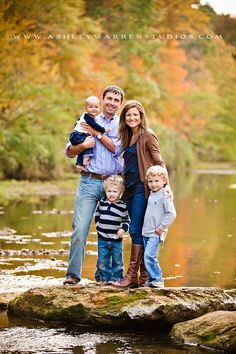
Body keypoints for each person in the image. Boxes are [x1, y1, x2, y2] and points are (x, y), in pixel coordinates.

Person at [63, 85, 124, 285]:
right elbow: (70, 151)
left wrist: (97, 135)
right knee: (80, 228)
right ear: (102, 99)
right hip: (89, 181)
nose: (112, 103)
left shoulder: (121, 125)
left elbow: (116, 149)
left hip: (112, 185)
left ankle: (103, 276)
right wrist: (83, 146)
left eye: (116, 100)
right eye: (109, 99)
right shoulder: (86, 119)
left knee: (110, 232)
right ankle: (73, 275)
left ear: (120, 104)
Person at [115, 100, 172, 289]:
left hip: (141, 187)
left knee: (135, 229)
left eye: (135, 115)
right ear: (124, 118)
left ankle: (132, 275)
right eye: (128, 115)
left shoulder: (148, 136)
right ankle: (144, 276)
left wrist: (167, 187)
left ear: (141, 117)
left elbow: (160, 163)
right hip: (129, 189)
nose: (131, 118)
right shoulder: (127, 137)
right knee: (138, 230)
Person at [142, 165, 176, 288]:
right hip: (146, 232)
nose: (153, 184)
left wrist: (161, 228)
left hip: (155, 233)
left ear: (165, 181)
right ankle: (152, 280)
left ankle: (157, 279)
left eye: (157, 181)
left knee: (150, 256)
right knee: (147, 257)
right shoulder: (152, 194)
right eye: (150, 181)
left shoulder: (165, 195)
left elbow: (172, 214)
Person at [95, 175, 130, 284]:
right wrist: (98, 225)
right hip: (102, 238)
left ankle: (117, 278)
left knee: (117, 260)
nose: (111, 194)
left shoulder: (122, 206)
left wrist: (123, 230)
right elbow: (97, 214)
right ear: (105, 191)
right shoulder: (102, 202)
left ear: (120, 192)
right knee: (102, 259)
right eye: (109, 191)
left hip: (116, 239)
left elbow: (126, 220)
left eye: (115, 191)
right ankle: (104, 278)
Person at [69, 96, 110, 171]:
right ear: (86, 108)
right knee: (90, 142)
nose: (94, 109)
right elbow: (95, 125)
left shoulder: (87, 116)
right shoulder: (88, 117)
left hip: (77, 134)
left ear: (100, 108)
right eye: (91, 107)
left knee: (86, 145)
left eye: (96, 107)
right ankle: (85, 160)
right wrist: (103, 130)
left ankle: (79, 163)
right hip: (77, 135)